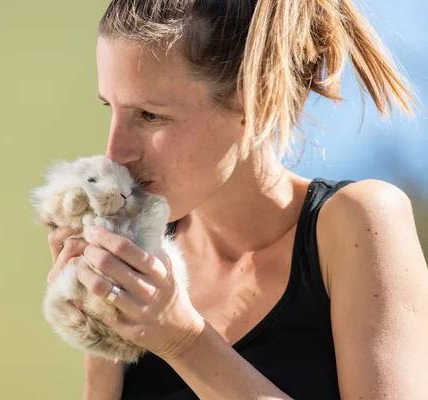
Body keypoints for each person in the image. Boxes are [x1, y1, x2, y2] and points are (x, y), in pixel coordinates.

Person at [45, 0, 428, 398]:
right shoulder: (137, 257)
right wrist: (101, 333)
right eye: (111, 108)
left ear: (253, 101)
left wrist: (183, 341)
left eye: (150, 115)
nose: (115, 153)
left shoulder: (356, 222)